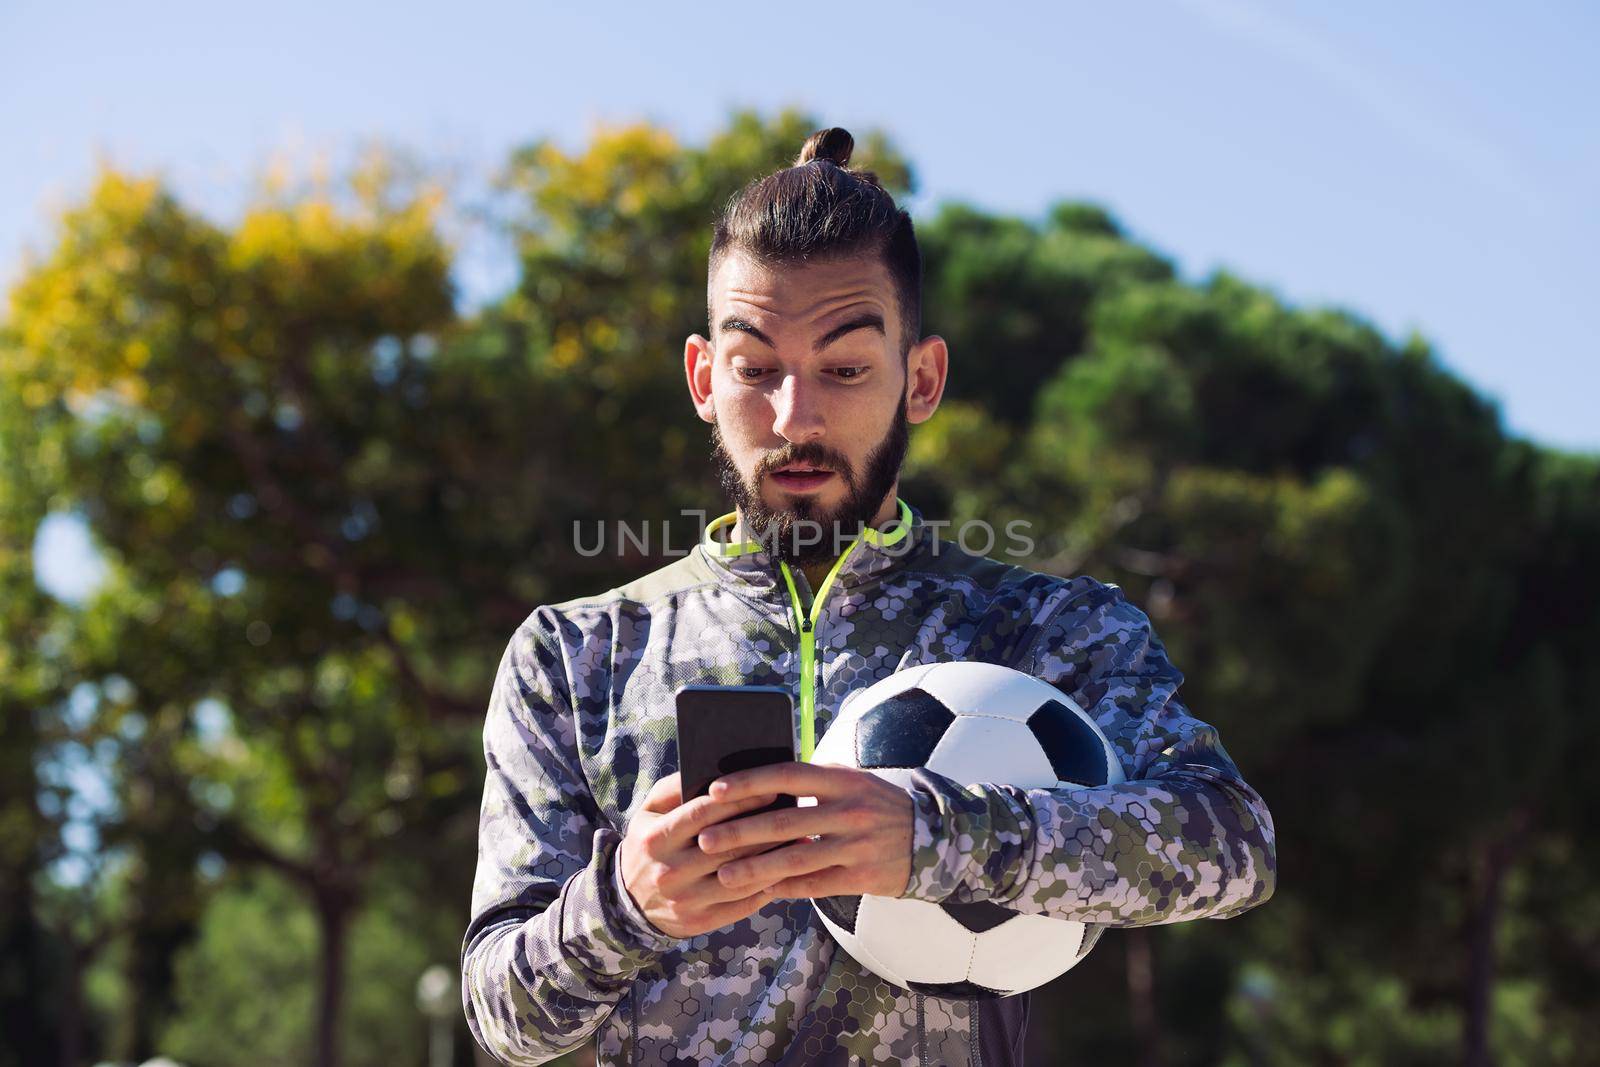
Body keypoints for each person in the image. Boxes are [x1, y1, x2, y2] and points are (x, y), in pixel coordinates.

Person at [460, 127, 1276, 1066]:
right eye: (754, 368)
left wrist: (937, 835)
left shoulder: (1051, 628)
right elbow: (500, 1014)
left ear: (919, 378)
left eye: (845, 368)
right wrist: (626, 907)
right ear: (701, 377)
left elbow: (1229, 842)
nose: (793, 418)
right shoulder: (576, 654)